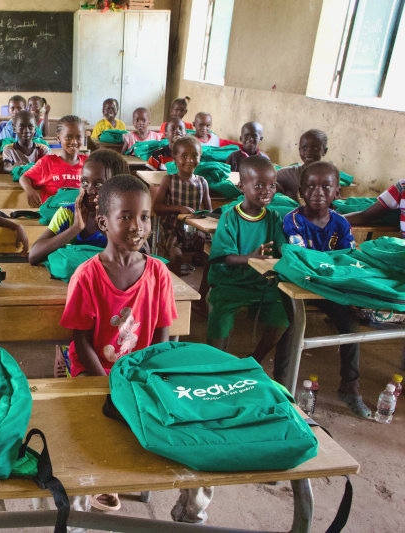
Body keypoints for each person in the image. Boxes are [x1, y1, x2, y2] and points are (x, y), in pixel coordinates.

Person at [59, 174, 213, 523]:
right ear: (103, 222)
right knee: (89, 438)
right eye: (125, 216)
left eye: (144, 217)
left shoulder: (158, 272)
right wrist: (108, 383)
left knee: (187, 425)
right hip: (95, 372)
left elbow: (162, 334)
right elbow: (80, 341)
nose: (136, 226)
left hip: (141, 372)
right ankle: (81, 511)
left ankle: (190, 509)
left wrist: (145, 376)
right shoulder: (86, 275)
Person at [282, 161, 371, 418]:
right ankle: (283, 384)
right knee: (291, 324)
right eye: (310, 186)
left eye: (325, 186)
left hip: (330, 288)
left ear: (337, 193)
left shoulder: (341, 224)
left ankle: (350, 386)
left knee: (350, 323)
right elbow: (303, 259)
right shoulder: (294, 221)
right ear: (300, 191)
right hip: (300, 285)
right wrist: (331, 267)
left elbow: (347, 259)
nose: (318, 192)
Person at [207, 156, 288, 365]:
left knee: (283, 316)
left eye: (272, 185)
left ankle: (254, 360)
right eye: (259, 185)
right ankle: (216, 364)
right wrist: (250, 258)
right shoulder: (230, 217)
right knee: (220, 318)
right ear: (242, 186)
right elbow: (225, 257)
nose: (267, 191)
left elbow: (281, 248)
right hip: (230, 282)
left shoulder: (274, 218)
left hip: (261, 282)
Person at [28, 149, 129, 265]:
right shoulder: (67, 213)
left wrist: (105, 228)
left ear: (117, 188)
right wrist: (75, 228)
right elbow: (34, 256)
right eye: (84, 182)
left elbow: (139, 257)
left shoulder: (125, 217)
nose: (89, 190)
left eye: (99, 184)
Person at [152, 136, 212, 277]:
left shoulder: (202, 182)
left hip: (195, 230)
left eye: (194, 156)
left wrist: (202, 231)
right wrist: (179, 208)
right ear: (175, 158)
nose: (189, 160)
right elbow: (157, 207)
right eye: (184, 156)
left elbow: (209, 212)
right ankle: (175, 290)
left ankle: (203, 296)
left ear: (200, 157)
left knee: (214, 254)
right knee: (176, 254)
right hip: (171, 229)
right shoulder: (169, 180)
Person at [20, 115, 87, 207]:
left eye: (78, 137)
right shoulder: (47, 162)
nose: (74, 142)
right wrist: (29, 190)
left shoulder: (89, 163)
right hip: (53, 216)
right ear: (58, 138)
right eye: (68, 137)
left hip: (81, 215)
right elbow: (24, 177)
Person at [275, 129, 328, 201]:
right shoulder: (290, 174)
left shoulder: (330, 176)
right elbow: (267, 179)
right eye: (304, 148)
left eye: (315, 148)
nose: (309, 152)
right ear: (299, 150)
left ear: (324, 151)